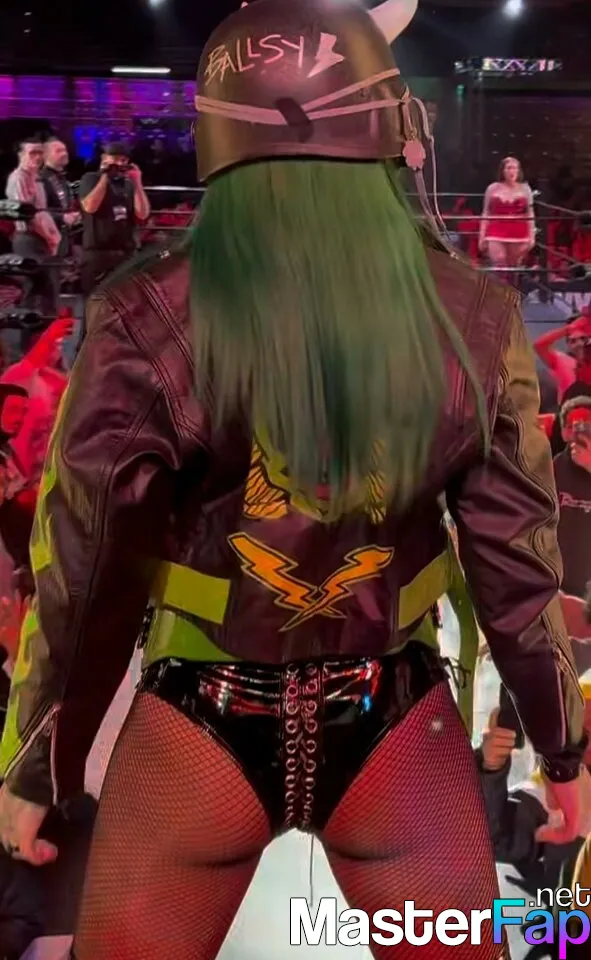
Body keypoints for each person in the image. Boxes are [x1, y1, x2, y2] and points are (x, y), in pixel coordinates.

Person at [0, 3, 586, 959]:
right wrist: (562, 753)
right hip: (396, 717)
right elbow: (516, 569)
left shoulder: (145, 310)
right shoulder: (472, 312)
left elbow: (85, 563)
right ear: (391, 132)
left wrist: (34, 766)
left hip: (200, 715)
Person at [4, 140, 61, 360]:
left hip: (41, 239)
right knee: (32, 291)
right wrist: (49, 236)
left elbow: (42, 213)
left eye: (39, 152)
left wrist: (53, 236)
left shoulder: (37, 179)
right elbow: (28, 215)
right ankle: (23, 351)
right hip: (27, 238)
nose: (37, 157)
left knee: (46, 291)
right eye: (32, 153)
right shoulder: (18, 177)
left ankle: (41, 347)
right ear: (21, 155)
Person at [78, 142, 150, 302]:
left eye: (123, 160)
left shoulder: (128, 184)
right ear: (104, 158)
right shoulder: (90, 178)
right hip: (98, 254)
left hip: (125, 254)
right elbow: (90, 207)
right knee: (96, 304)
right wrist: (105, 177)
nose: (120, 163)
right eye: (115, 159)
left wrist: (137, 183)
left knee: (127, 302)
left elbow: (143, 213)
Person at [479, 156, 536, 279]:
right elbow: (486, 212)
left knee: (514, 268)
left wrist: (532, 236)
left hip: (519, 232)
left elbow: (530, 214)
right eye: (509, 168)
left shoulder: (525, 189)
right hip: (496, 230)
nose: (512, 171)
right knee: (499, 262)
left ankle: (512, 290)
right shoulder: (492, 188)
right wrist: (481, 236)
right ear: (503, 171)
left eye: (515, 168)